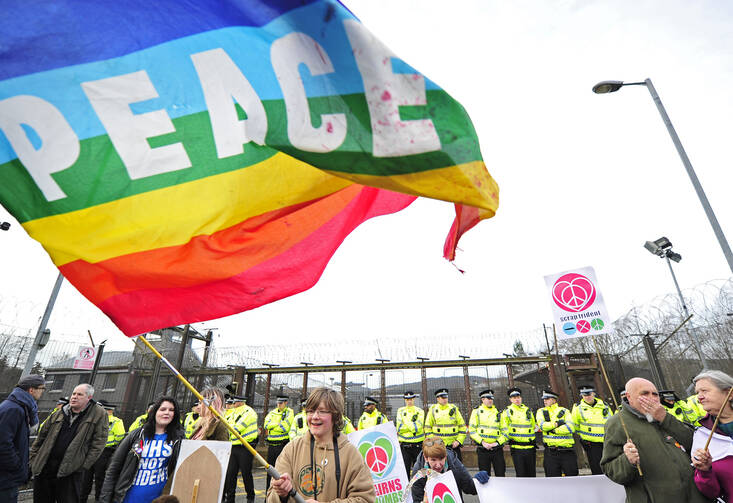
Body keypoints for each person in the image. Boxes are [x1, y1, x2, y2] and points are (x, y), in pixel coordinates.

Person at [601, 377, 708, 503]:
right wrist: (627, 460)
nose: (652, 398)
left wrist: (665, 419)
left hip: (693, 496)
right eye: (644, 394)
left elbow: (692, 442)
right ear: (629, 397)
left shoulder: (664, 415)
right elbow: (609, 468)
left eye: (655, 394)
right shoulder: (617, 423)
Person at [267, 387, 375, 503]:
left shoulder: (351, 454)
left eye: (322, 411)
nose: (314, 417)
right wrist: (281, 494)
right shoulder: (291, 450)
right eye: (310, 411)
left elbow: (365, 499)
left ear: (336, 415)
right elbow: (271, 499)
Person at [30, 383, 108, 502]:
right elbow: (41, 437)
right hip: (46, 468)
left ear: (89, 398)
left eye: (79, 394)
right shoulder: (59, 412)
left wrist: (83, 465)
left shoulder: (98, 414)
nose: (74, 397)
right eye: (73, 393)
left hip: (71, 472)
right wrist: (34, 459)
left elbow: (99, 443)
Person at [99, 395, 186, 503]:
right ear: (154, 412)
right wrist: (105, 499)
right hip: (128, 497)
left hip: (160, 499)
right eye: (163, 409)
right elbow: (113, 469)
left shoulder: (179, 439)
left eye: (171, 410)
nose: (167, 412)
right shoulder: (136, 435)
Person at [0, 374, 45, 502]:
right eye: (42, 388)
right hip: (5, 476)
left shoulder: (21, 407)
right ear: (32, 390)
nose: (42, 392)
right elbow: (3, 443)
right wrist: (17, 465)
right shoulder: (13, 409)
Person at [691, 370, 733, 502]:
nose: (699, 397)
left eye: (705, 391)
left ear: (729, 393)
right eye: (697, 392)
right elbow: (712, 492)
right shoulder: (702, 435)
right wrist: (705, 471)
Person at [409, 435, 489, 503]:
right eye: (433, 460)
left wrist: (478, 481)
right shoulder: (418, 473)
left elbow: (469, 488)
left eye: (441, 459)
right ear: (426, 458)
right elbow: (417, 499)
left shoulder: (455, 466)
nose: (438, 465)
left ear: (446, 456)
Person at [82, 400, 126, 502]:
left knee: (86, 477)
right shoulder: (116, 421)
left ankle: (82, 498)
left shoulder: (95, 419)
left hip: (92, 451)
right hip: (105, 452)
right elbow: (120, 436)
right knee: (100, 478)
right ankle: (99, 499)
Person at [223, 395, 259, 503]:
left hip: (245, 446)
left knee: (246, 473)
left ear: (240, 402)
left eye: (235, 402)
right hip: (233, 446)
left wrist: (230, 428)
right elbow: (226, 425)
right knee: (231, 474)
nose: (233, 404)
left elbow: (237, 428)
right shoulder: (233, 412)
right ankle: (230, 499)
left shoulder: (249, 412)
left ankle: (250, 498)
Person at [571, 384, 612, 474]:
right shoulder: (578, 408)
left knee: (610, 466)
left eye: (589, 394)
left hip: (607, 442)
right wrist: (584, 436)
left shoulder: (604, 406)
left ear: (594, 394)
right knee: (597, 468)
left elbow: (611, 422)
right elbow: (575, 425)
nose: (587, 397)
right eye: (584, 395)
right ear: (581, 396)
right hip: (591, 444)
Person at [536, 389, 577, 477]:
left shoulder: (565, 411)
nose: (544, 401)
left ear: (554, 400)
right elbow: (543, 426)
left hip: (567, 451)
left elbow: (571, 428)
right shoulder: (541, 412)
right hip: (551, 452)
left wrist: (553, 430)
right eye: (544, 399)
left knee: (572, 478)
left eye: (547, 399)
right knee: (552, 480)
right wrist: (557, 424)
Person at [468, 389, 506, 477]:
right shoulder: (476, 412)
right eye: (488, 398)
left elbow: (505, 431)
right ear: (482, 399)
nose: (490, 400)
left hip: (497, 449)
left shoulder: (499, 412)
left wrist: (496, 443)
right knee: (484, 476)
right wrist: (483, 442)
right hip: (483, 449)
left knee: (501, 474)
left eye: (491, 398)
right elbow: (472, 430)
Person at [500, 387, 536, 477]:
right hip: (517, 448)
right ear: (510, 399)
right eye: (514, 398)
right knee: (521, 474)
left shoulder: (528, 411)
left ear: (521, 398)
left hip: (530, 448)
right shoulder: (507, 412)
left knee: (532, 474)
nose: (517, 399)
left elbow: (533, 426)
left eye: (518, 397)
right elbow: (504, 429)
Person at [424, 388, 466, 460]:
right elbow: (427, 428)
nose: (445, 399)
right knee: (440, 468)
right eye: (443, 398)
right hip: (439, 446)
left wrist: (458, 441)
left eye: (446, 397)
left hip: (453, 446)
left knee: (457, 469)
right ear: (438, 398)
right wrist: (434, 442)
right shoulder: (433, 409)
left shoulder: (454, 409)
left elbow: (462, 427)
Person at [264, 395, 294, 491]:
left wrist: (272, 426)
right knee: (270, 472)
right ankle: (267, 495)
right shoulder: (272, 413)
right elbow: (266, 425)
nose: (279, 405)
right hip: (271, 446)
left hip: (282, 445)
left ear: (286, 403)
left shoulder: (289, 412)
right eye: (278, 403)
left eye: (281, 403)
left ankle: (279, 495)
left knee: (281, 471)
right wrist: (277, 424)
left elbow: (285, 428)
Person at [396, 391, 426, 477]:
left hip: (418, 445)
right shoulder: (400, 411)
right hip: (405, 446)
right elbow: (399, 428)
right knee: (405, 470)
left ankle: (420, 488)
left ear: (414, 399)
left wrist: (405, 421)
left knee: (420, 470)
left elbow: (418, 427)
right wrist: (412, 424)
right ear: (405, 400)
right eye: (407, 399)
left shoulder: (420, 411)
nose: (409, 401)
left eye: (411, 399)